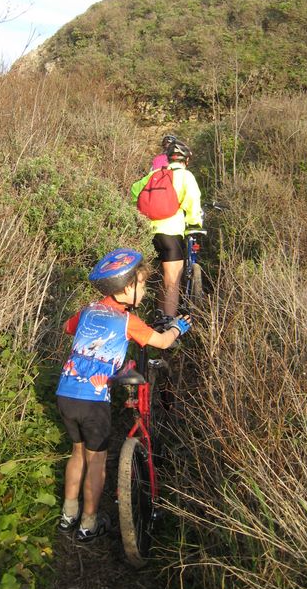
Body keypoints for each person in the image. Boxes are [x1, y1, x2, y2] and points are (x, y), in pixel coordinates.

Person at [56, 248, 192, 542]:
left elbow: (68, 328)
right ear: (128, 288)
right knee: (96, 461)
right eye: (142, 284)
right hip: (93, 401)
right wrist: (177, 328)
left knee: (77, 453)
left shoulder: (88, 310)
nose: (144, 290)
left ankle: (68, 515)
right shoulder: (128, 321)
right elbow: (161, 342)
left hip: (65, 393)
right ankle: (89, 524)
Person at [133, 140, 202, 317]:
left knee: (153, 276)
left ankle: (154, 315)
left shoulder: (154, 175)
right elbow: (193, 202)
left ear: (168, 158)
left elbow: (134, 191)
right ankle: (168, 322)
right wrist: (194, 223)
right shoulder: (186, 176)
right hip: (171, 233)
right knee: (172, 280)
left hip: (148, 233)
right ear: (186, 160)